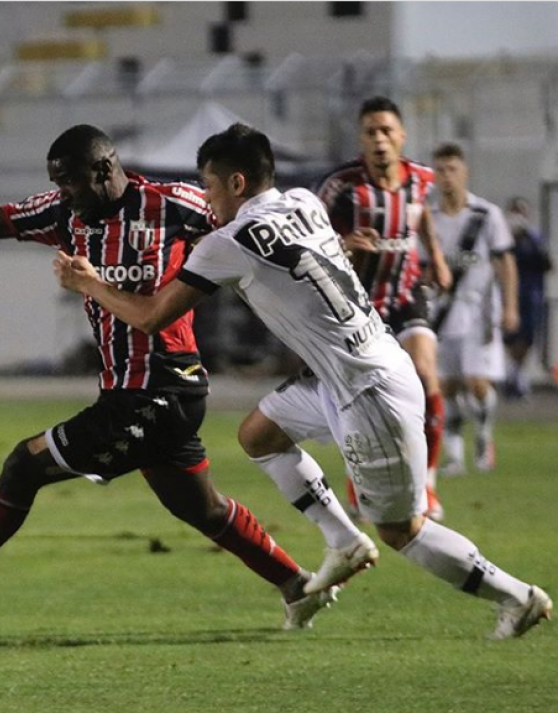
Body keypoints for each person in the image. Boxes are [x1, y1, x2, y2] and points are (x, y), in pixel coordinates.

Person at [55, 123, 552, 639]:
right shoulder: (304, 201)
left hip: (368, 390)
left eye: (210, 185)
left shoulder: (227, 243)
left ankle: (518, 598)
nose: (206, 197)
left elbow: (153, 315)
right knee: (258, 435)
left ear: (238, 183)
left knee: (403, 531)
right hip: (354, 369)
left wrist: (88, 283)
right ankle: (342, 540)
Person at [0, 126, 340, 631]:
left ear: (104, 170)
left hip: (158, 389)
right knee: (202, 508)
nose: (63, 192)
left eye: (69, 181)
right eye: (57, 183)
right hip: (136, 396)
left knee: (23, 466)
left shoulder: (174, 205)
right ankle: (297, 585)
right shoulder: (64, 213)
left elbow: (248, 226)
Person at [238, 96, 451, 522]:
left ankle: (425, 484)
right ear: (361, 138)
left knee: (427, 377)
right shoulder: (341, 186)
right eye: (371, 131)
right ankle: (364, 478)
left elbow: (421, 215)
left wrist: (438, 258)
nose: (379, 139)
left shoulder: (420, 179)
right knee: (353, 396)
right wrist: (346, 245)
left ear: (401, 136)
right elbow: (309, 235)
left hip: (407, 292)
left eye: (387, 131)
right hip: (360, 302)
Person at [430, 143, 520, 474]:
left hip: (480, 312)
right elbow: (421, 265)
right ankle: (454, 456)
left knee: (477, 381)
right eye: (440, 170)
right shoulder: (430, 217)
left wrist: (510, 306)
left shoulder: (486, 215)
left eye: (452, 169)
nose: (446, 176)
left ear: (464, 172)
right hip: (441, 312)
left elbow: (505, 261)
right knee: (446, 384)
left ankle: (484, 436)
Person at [503, 196, 552, 399]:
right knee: (509, 336)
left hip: (531, 295)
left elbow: (547, 264)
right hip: (508, 294)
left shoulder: (535, 239)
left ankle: (517, 374)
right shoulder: (504, 238)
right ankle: (514, 375)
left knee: (527, 337)